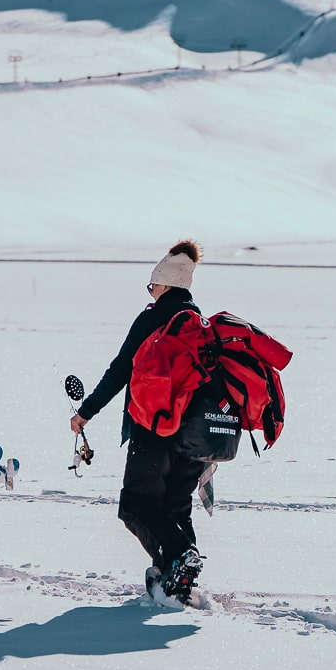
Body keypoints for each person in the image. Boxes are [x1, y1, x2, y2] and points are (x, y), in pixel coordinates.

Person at [70, 239, 209, 604]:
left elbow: (120, 371)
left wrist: (86, 411)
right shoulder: (201, 326)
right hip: (195, 438)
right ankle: (176, 585)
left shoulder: (152, 320)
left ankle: (180, 557)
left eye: (153, 285)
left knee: (135, 505)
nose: (152, 291)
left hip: (154, 430)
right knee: (175, 508)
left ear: (166, 283)